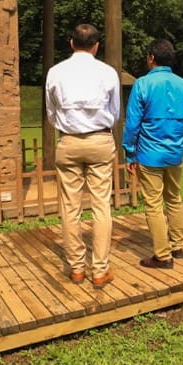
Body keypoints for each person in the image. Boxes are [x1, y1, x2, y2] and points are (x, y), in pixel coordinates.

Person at [45, 24, 122, 288]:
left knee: (70, 206)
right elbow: (115, 112)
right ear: (96, 45)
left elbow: (51, 112)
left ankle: (76, 268)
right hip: (100, 139)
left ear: (71, 43)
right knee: (101, 205)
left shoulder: (56, 72)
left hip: (68, 141)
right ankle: (100, 270)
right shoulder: (108, 72)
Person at [122, 39, 183, 269]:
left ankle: (163, 256)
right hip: (175, 152)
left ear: (151, 57)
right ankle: (177, 245)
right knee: (174, 198)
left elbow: (133, 122)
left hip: (149, 153)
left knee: (153, 204)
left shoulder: (143, 84)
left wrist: (129, 153)